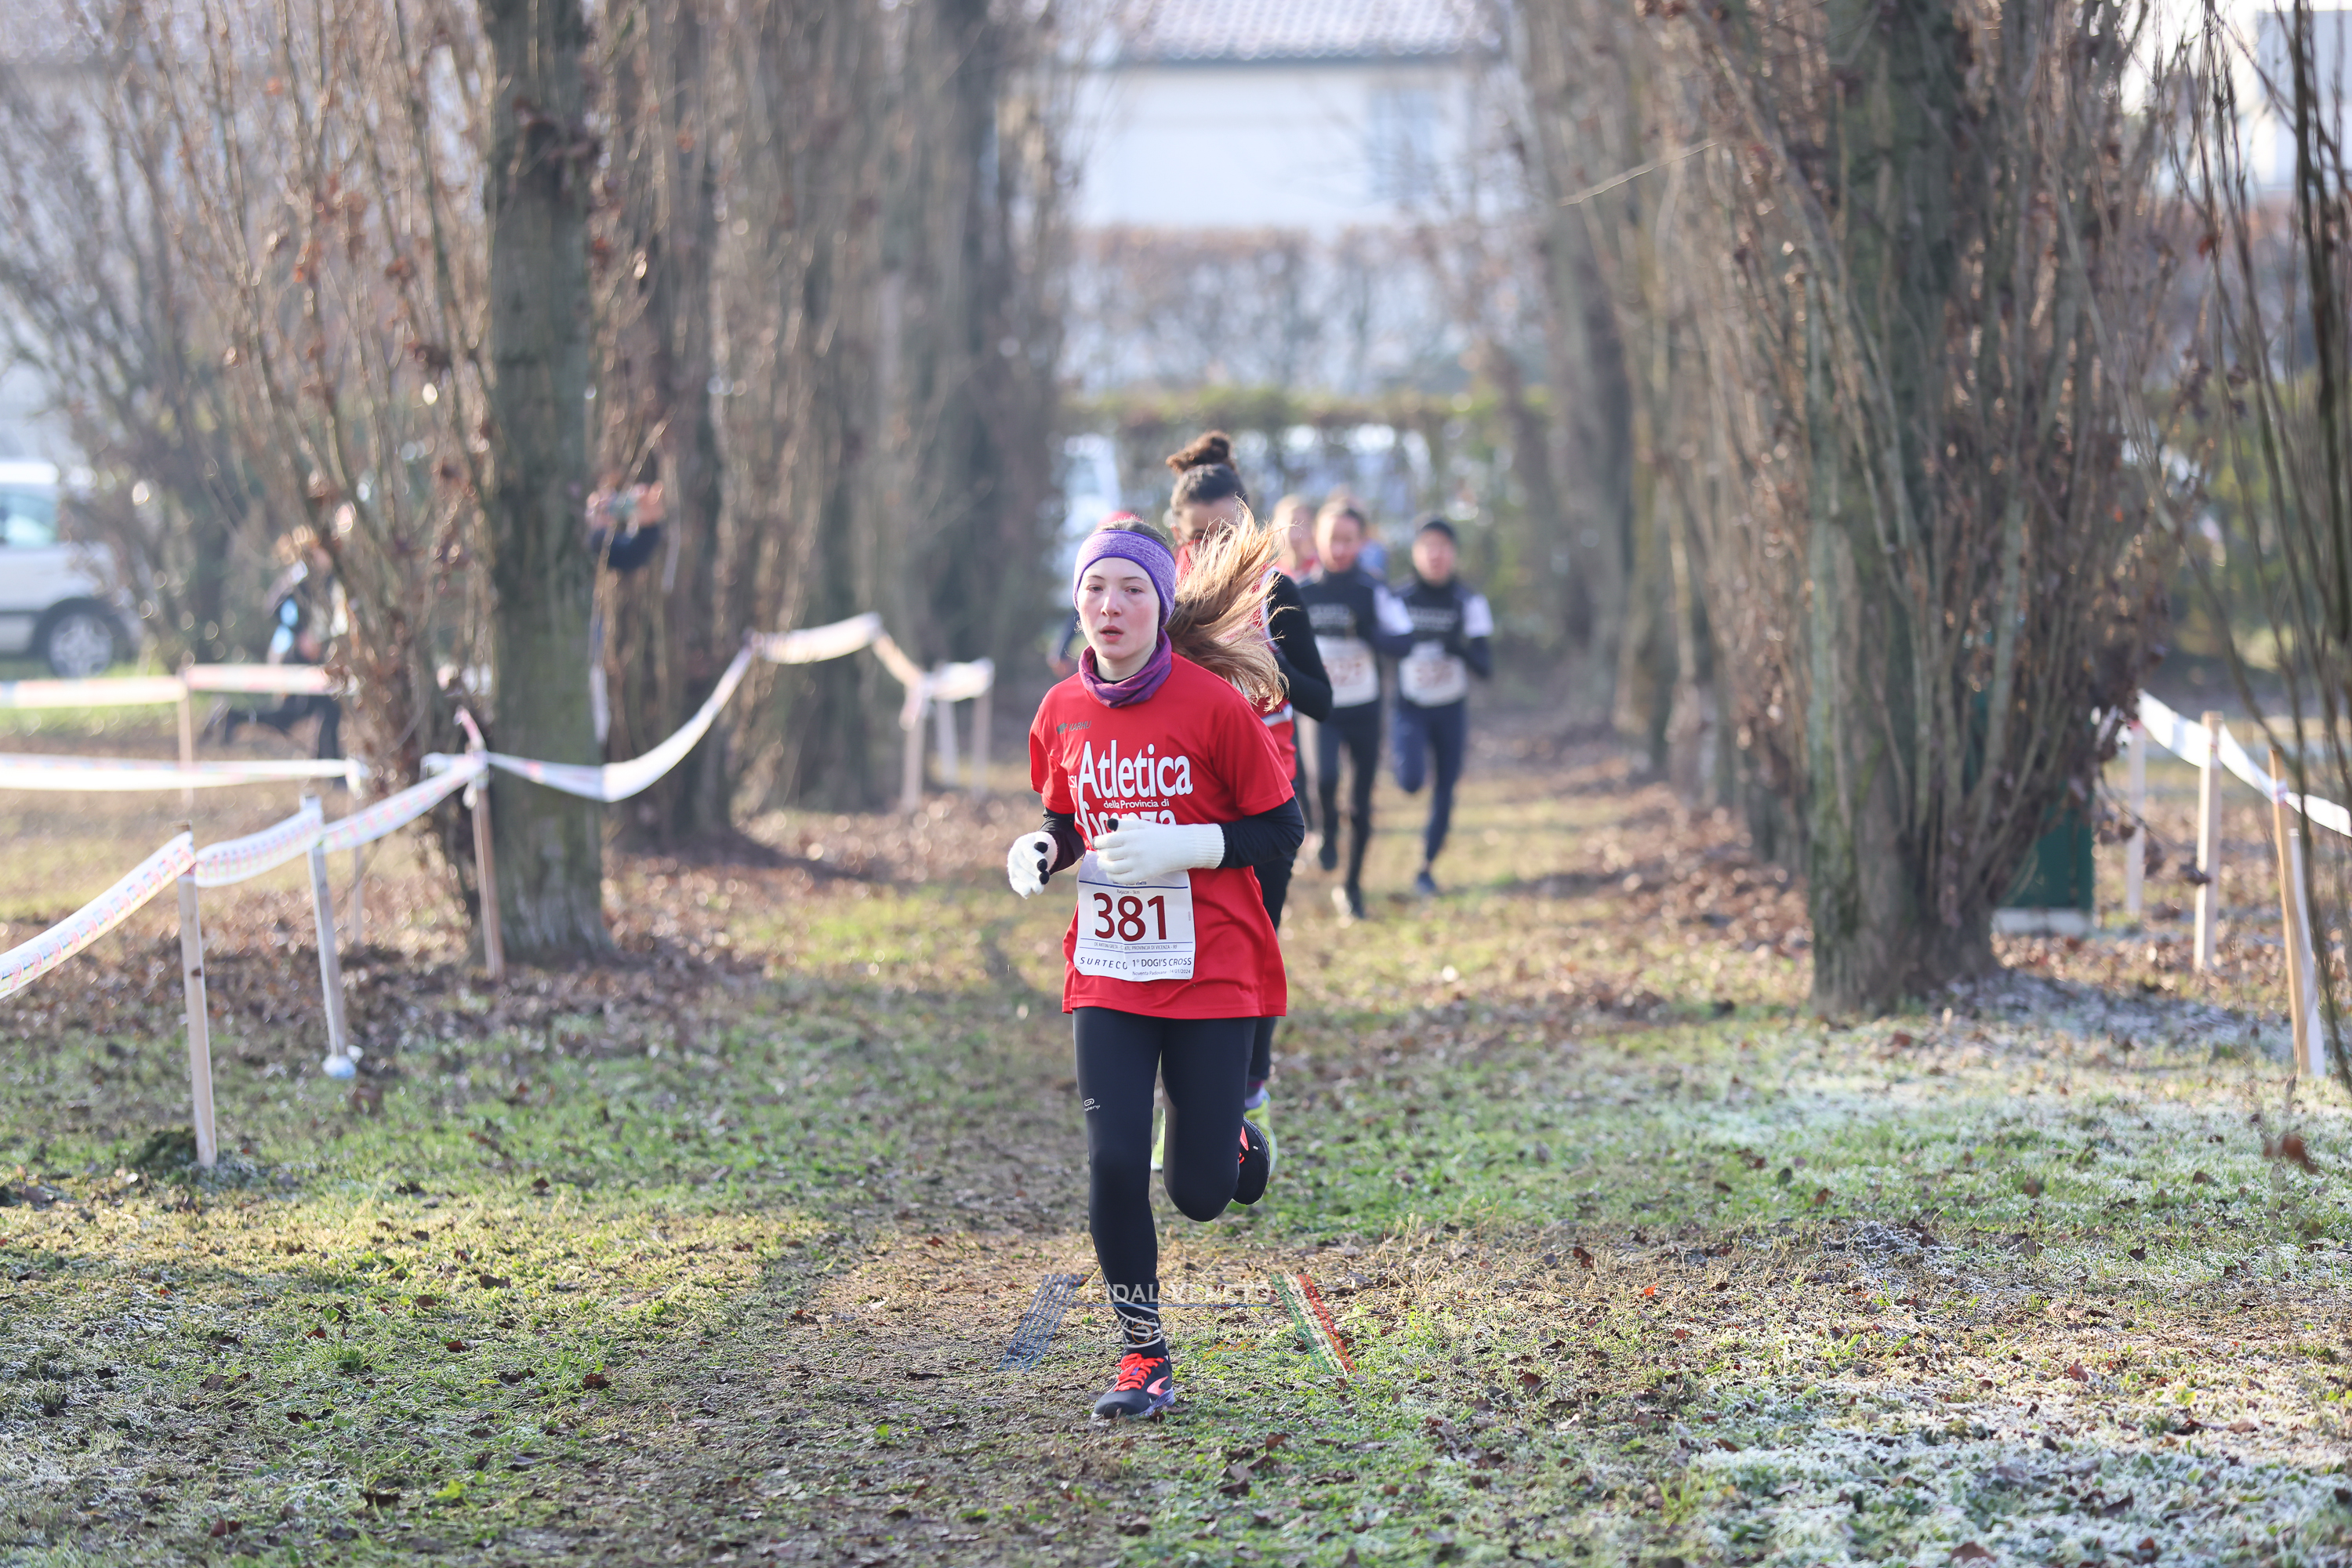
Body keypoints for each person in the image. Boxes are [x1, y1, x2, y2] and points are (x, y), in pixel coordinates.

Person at [1007, 513, 1303, 1419]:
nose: (1111, 605)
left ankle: (1233, 1142)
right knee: (1112, 1160)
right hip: (1110, 967)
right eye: (1095, 588)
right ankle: (1144, 1353)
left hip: (1212, 969)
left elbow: (1280, 827)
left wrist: (1190, 842)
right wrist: (1044, 847)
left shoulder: (1216, 708)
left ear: (1161, 605)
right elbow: (1067, 814)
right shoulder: (1060, 709)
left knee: (1200, 1192)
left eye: (1132, 589)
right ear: (1077, 603)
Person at [1163, 434, 1329, 1131]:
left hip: (1266, 801)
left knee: (1256, 937)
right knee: (1183, 948)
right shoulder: (1161, 591)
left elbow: (1323, 699)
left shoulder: (1276, 592)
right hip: (1180, 801)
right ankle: (1188, 1096)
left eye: (1227, 533)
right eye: (1200, 536)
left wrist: (1266, 668)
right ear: (1180, 534)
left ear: (1249, 525)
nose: (1214, 549)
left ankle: (1250, 1081)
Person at [1298, 500, 1415, 919]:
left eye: (1349, 540)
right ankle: (1327, 830)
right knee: (1325, 779)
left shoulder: (1373, 590)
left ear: (1362, 542)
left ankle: (1352, 888)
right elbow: (1275, 646)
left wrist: (1369, 632)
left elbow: (1405, 643)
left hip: (1364, 708)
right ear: (1317, 539)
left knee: (1362, 805)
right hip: (1322, 707)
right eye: (1333, 539)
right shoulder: (1301, 592)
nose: (1340, 549)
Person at [1391, 515, 1493, 896]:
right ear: (1416, 553)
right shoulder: (1398, 599)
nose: (1436, 555)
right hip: (1410, 706)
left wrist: (1458, 648)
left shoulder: (1469, 601)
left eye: (1443, 547)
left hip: (1451, 708)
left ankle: (1426, 868)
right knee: (1411, 781)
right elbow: (1381, 646)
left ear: (1454, 553)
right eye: (1428, 546)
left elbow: (1486, 667)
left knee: (1446, 788)